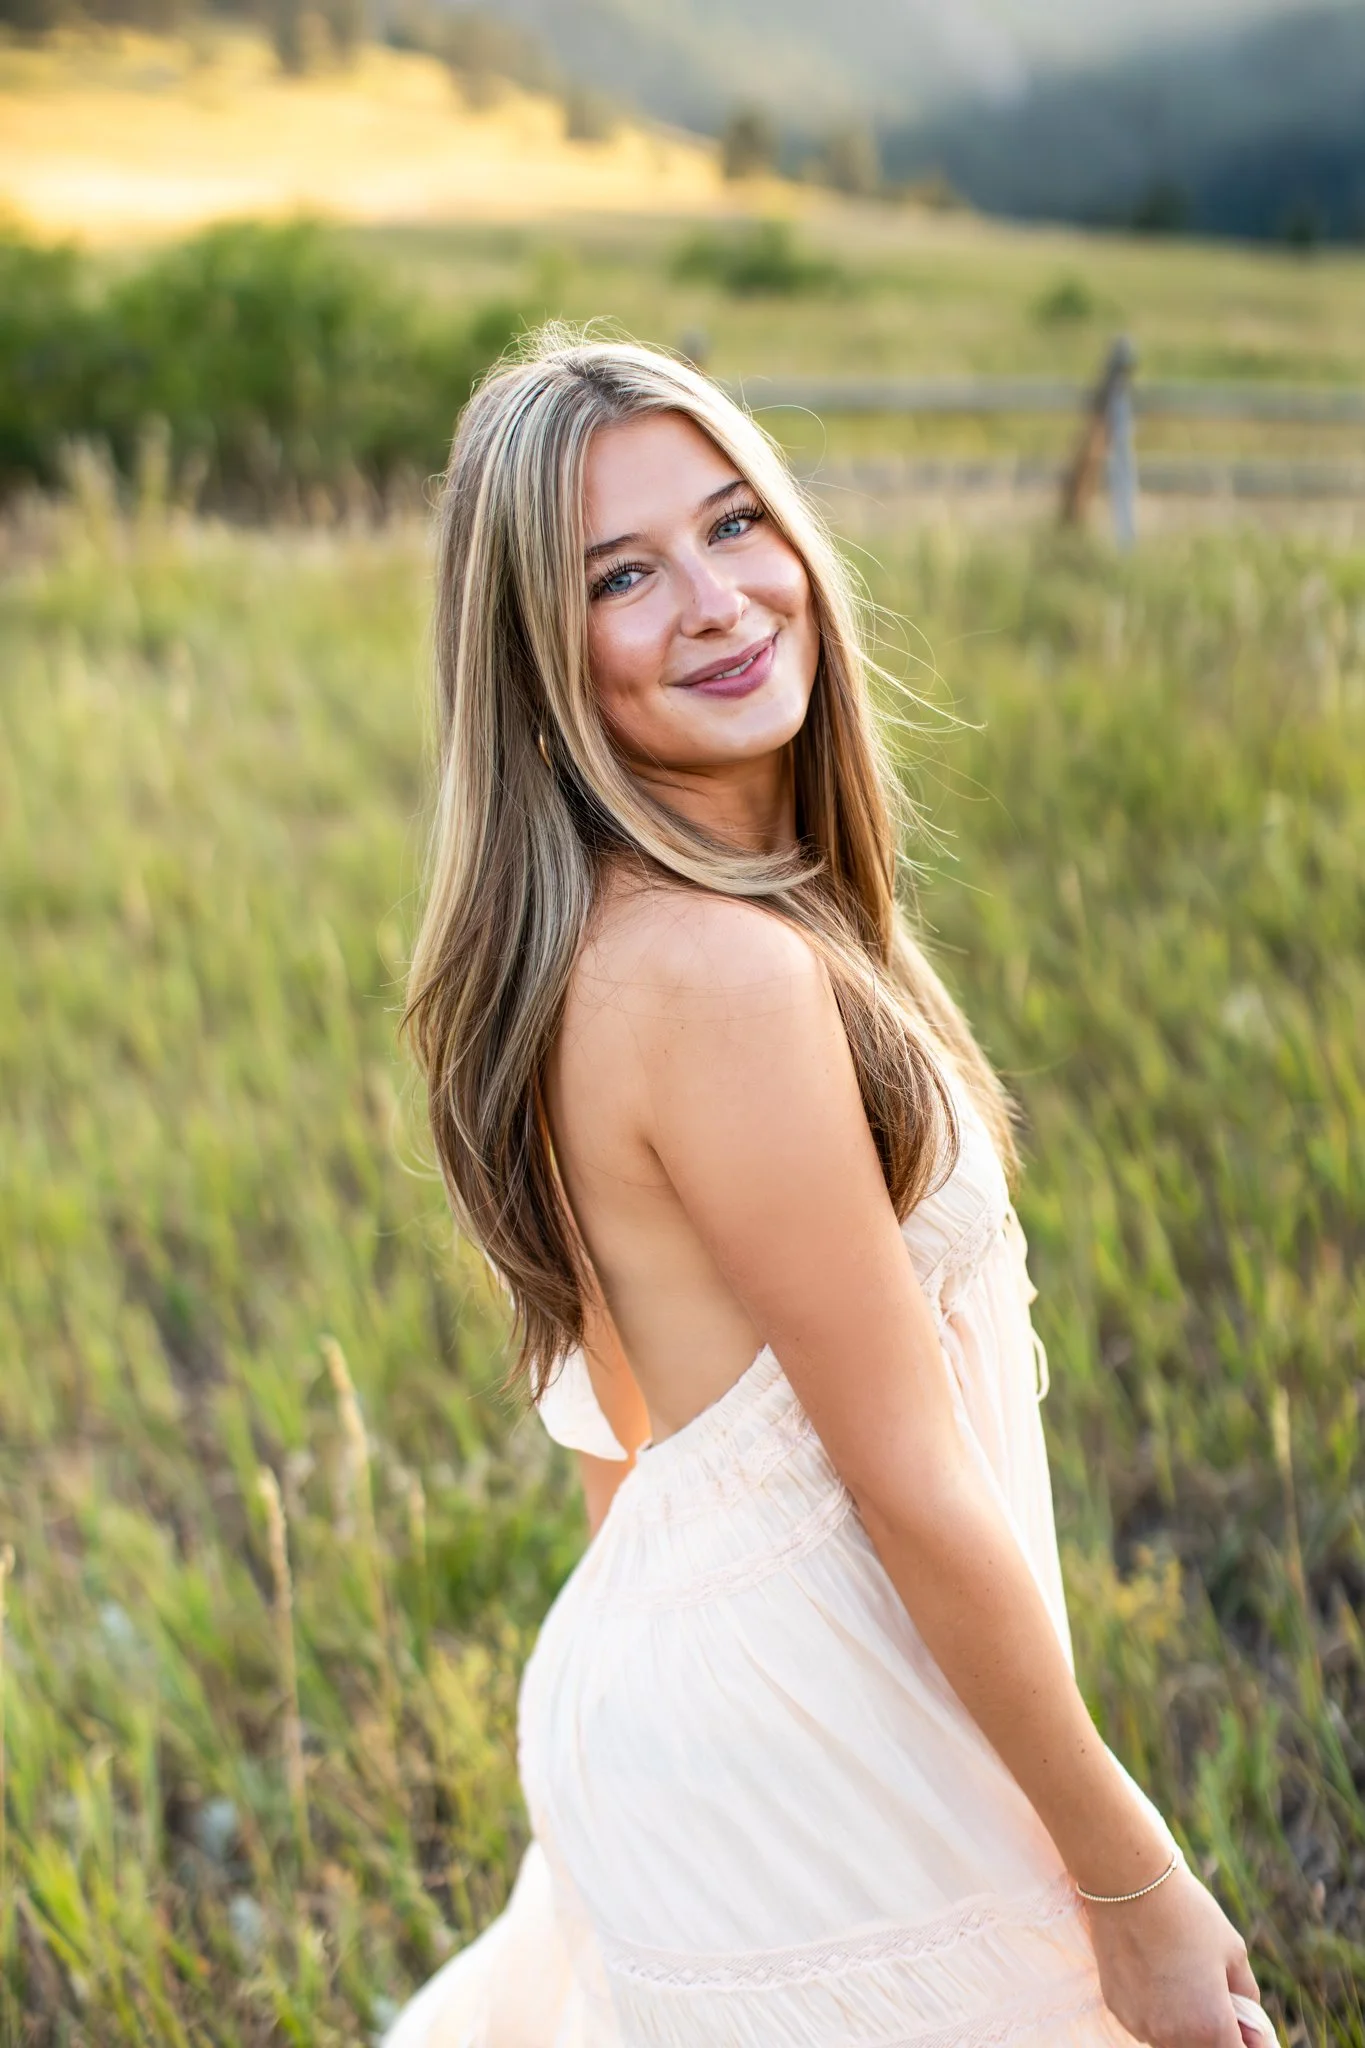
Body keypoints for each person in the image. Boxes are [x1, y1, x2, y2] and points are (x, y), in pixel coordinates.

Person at [387, 330, 1274, 2048]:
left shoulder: (610, 942)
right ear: (537, 657)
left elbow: (613, 1432)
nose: (716, 603)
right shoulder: (720, 980)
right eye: (621, 574)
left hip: (719, 1694)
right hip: (801, 1723)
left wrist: (626, 1764)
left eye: (733, 524)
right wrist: (1128, 1876)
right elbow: (910, 1481)